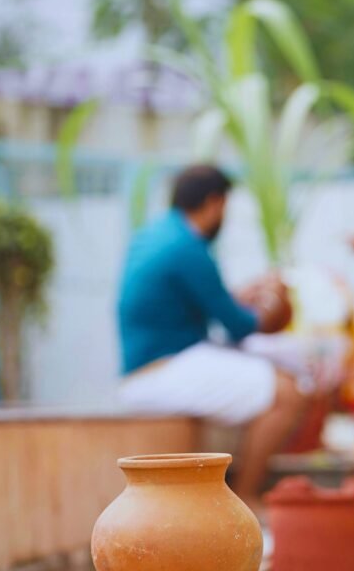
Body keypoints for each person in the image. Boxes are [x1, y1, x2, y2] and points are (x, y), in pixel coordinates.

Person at [117, 165, 305, 509]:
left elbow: (204, 302)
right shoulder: (189, 248)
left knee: (261, 376)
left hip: (150, 366)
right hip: (162, 370)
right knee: (286, 394)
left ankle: (232, 492)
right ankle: (245, 498)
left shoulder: (157, 235)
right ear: (215, 203)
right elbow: (241, 327)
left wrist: (244, 295)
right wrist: (276, 299)